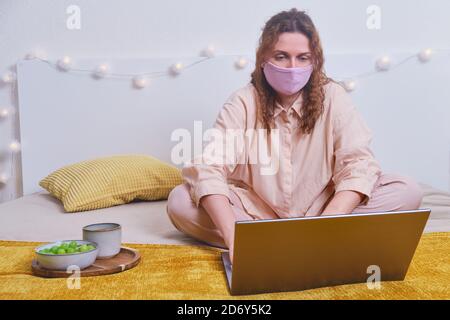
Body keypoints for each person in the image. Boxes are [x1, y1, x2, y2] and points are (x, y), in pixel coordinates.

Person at [166, 8, 423, 264]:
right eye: (281, 56)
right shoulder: (243, 101)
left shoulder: (333, 96)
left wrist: (326, 224)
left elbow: (358, 164)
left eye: (302, 58)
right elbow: (209, 168)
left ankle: (305, 240)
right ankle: (276, 242)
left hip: (323, 213)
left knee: (406, 191)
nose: (292, 67)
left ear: (315, 61)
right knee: (180, 201)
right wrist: (235, 240)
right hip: (256, 215)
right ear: (264, 58)